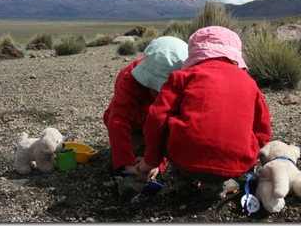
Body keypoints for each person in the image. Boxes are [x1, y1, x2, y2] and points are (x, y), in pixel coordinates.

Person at [137, 26, 272, 200]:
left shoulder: (182, 77)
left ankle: (183, 179)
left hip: (185, 161)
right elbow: (263, 130)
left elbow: (156, 118)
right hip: (235, 164)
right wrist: (245, 151)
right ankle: (215, 185)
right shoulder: (249, 83)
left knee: (169, 124)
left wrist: (151, 160)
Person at [103, 35, 188, 200]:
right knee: (129, 159)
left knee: (155, 157)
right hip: (135, 127)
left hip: (160, 127)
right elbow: (118, 120)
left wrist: (158, 163)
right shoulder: (129, 78)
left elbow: (170, 125)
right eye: (157, 90)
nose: (160, 95)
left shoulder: (182, 84)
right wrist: (127, 163)